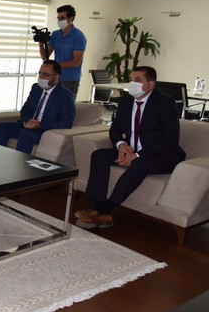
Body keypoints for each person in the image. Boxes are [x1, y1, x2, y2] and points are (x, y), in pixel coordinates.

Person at [76, 66, 185, 229]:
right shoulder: (126, 101)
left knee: (140, 164)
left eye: (137, 80)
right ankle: (98, 207)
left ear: (151, 84)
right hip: (131, 149)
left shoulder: (165, 103)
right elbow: (115, 129)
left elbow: (170, 138)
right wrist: (122, 146)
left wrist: (137, 155)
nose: (132, 83)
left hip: (162, 155)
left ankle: (106, 210)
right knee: (99, 155)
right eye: (131, 79)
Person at [0, 60, 75, 154]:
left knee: (25, 134)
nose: (41, 77)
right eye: (40, 73)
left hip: (44, 130)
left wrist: (40, 124)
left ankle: (19, 163)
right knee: (1, 128)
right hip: (29, 126)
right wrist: (27, 121)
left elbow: (66, 123)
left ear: (56, 77)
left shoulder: (65, 96)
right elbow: (25, 109)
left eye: (45, 74)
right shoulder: (36, 88)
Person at [39, 4, 87, 97]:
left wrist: (55, 66)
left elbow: (76, 62)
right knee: (51, 103)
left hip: (70, 79)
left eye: (62, 18)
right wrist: (41, 43)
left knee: (66, 104)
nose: (59, 21)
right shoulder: (55, 34)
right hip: (55, 77)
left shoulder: (79, 36)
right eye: (58, 18)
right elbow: (45, 57)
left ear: (71, 19)